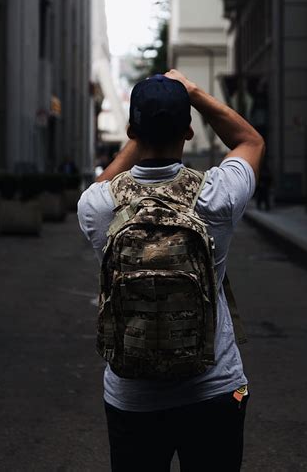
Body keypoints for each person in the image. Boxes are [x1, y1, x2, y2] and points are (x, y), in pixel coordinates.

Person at [77, 69, 265, 472]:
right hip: (213, 390)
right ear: (189, 131)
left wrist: (141, 134)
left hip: (132, 397)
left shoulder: (98, 207)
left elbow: (100, 185)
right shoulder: (217, 194)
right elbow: (249, 140)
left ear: (131, 130)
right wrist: (193, 91)